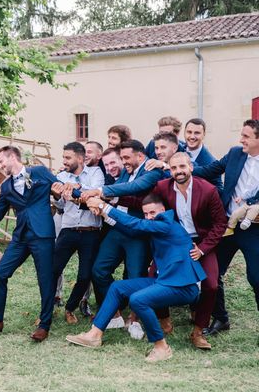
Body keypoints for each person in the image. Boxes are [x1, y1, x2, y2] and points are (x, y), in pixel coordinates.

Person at [67, 193, 206, 363]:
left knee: (138, 299)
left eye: (153, 213)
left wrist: (105, 206)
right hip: (165, 281)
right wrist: (104, 215)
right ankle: (94, 335)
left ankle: (162, 347)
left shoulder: (167, 224)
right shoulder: (156, 226)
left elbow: (136, 223)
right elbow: (132, 228)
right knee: (117, 287)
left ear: (163, 210)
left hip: (184, 286)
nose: (149, 217)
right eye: (146, 214)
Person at [0, 146, 60, 342]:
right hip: (21, 237)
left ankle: (44, 326)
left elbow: (59, 186)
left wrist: (61, 192)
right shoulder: (6, 187)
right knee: (0, 273)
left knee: (45, 279)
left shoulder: (38, 172)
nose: (0, 166)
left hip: (42, 234)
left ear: (13, 157)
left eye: (1, 161)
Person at [150, 152, 227, 349]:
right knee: (154, 276)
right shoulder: (162, 187)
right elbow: (141, 201)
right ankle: (164, 319)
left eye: (182, 167)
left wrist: (202, 249)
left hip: (201, 242)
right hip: (174, 241)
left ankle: (199, 331)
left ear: (191, 167)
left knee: (210, 285)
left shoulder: (208, 190)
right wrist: (107, 198)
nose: (179, 171)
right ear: (170, 170)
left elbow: (220, 224)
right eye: (174, 168)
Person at [81, 140, 165, 319]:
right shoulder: (127, 172)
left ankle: (134, 318)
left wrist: (100, 191)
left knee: (136, 277)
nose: (123, 161)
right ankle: (115, 311)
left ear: (140, 156)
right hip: (117, 229)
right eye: (122, 157)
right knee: (98, 270)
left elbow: (135, 187)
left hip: (138, 233)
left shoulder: (152, 171)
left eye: (127, 157)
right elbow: (123, 194)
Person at [193, 119, 259, 336]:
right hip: (228, 225)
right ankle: (221, 318)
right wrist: (176, 165)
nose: (241, 139)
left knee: (256, 277)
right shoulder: (235, 153)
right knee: (212, 273)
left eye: (246, 136)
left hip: (255, 229)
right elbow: (207, 171)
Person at [51, 142, 104, 324]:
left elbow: (95, 195)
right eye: (64, 157)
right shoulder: (60, 176)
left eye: (68, 157)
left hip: (91, 232)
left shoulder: (96, 173)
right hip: (68, 229)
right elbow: (59, 206)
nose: (64, 161)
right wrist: (57, 196)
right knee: (53, 270)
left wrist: (74, 189)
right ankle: (46, 309)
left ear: (80, 159)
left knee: (85, 275)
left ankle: (70, 308)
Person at [182, 118, 223, 192]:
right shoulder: (176, 150)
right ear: (184, 133)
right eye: (189, 132)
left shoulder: (211, 162)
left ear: (204, 135)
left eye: (197, 133)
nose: (192, 136)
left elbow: (218, 191)